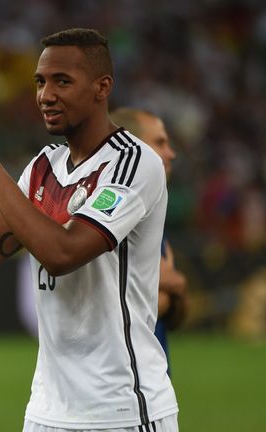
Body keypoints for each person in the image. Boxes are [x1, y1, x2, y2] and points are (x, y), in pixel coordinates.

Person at [0, 28, 178, 431]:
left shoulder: (133, 163)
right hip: (47, 412)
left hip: (122, 410)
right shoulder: (43, 167)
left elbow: (62, 254)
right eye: (40, 81)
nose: (45, 95)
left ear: (102, 87)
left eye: (62, 81)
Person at [109, 108, 189, 375]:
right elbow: (111, 312)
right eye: (159, 142)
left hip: (153, 387)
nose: (171, 153)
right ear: (132, 146)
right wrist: (169, 284)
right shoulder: (108, 213)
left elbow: (173, 314)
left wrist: (173, 285)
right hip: (118, 385)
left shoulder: (153, 211)